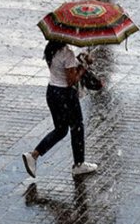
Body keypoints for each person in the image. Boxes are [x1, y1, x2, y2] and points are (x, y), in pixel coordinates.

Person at [22, 41, 98, 177]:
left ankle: (33, 156)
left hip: (52, 92)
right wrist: (84, 66)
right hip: (65, 95)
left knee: (61, 129)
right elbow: (72, 80)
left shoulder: (51, 49)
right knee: (77, 126)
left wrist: (79, 60)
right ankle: (79, 164)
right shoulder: (66, 52)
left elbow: (62, 68)